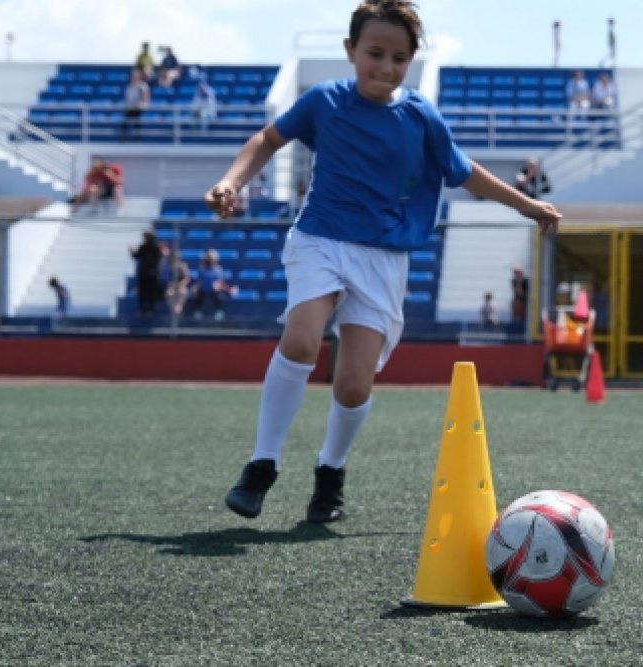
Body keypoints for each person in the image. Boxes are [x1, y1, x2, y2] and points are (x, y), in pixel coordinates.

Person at [205, 0, 561, 525]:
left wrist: (526, 204)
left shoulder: (421, 116)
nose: (386, 66)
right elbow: (267, 139)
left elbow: (466, 173)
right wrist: (231, 181)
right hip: (320, 238)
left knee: (354, 384)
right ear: (350, 51)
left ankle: (331, 473)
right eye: (374, 53)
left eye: (399, 57)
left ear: (412, 61)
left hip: (383, 259)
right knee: (302, 339)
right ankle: (262, 465)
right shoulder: (324, 101)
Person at [129, 231, 163, 318]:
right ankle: (146, 310)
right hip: (148, 273)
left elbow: (136, 256)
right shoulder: (153, 247)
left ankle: (146, 310)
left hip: (147, 273)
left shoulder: (148, 247)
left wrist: (131, 251)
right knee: (146, 292)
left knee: (147, 293)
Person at [189, 249, 229, 320]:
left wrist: (217, 286)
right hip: (203, 289)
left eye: (212, 258)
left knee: (217, 295)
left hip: (214, 290)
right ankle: (197, 311)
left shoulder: (218, 269)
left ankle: (219, 311)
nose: (210, 259)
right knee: (197, 294)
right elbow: (199, 280)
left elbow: (220, 281)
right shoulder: (201, 268)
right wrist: (196, 287)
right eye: (209, 257)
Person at [120, 67, 151, 141]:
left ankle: (138, 139)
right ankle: (123, 139)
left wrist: (141, 104)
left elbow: (146, 98)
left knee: (138, 120)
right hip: (130, 108)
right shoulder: (129, 87)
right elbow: (127, 99)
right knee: (125, 121)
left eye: (136, 76)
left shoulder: (143, 86)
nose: (134, 77)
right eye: (133, 76)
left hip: (139, 109)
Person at [510, 265, 530, 334]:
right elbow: (517, 291)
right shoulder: (514, 281)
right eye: (516, 273)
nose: (517, 274)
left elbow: (525, 292)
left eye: (518, 272)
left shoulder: (526, 281)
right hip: (518, 300)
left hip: (524, 300)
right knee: (514, 304)